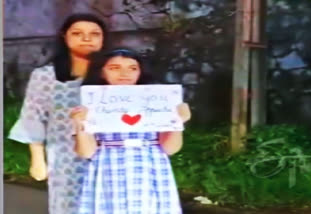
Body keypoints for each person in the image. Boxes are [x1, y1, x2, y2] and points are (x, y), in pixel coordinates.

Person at [8, 13, 108, 214]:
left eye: (94, 34)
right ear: (65, 37)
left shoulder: (114, 73)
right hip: (65, 158)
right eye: (78, 33)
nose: (86, 38)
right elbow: (33, 116)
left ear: (103, 38)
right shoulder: (45, 76)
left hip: (110, 157)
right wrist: (38, 160)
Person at [70, 48, 191, 213]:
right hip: (108, 168)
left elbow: (170, 148)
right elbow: (86, 152)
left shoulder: (157, 100)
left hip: (150, 168)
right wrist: (81, 125)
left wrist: (178, 122)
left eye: (132, 68)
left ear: (140, 72)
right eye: (115, 68)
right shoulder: (91, 103)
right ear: (102, 72)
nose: (124, 73)